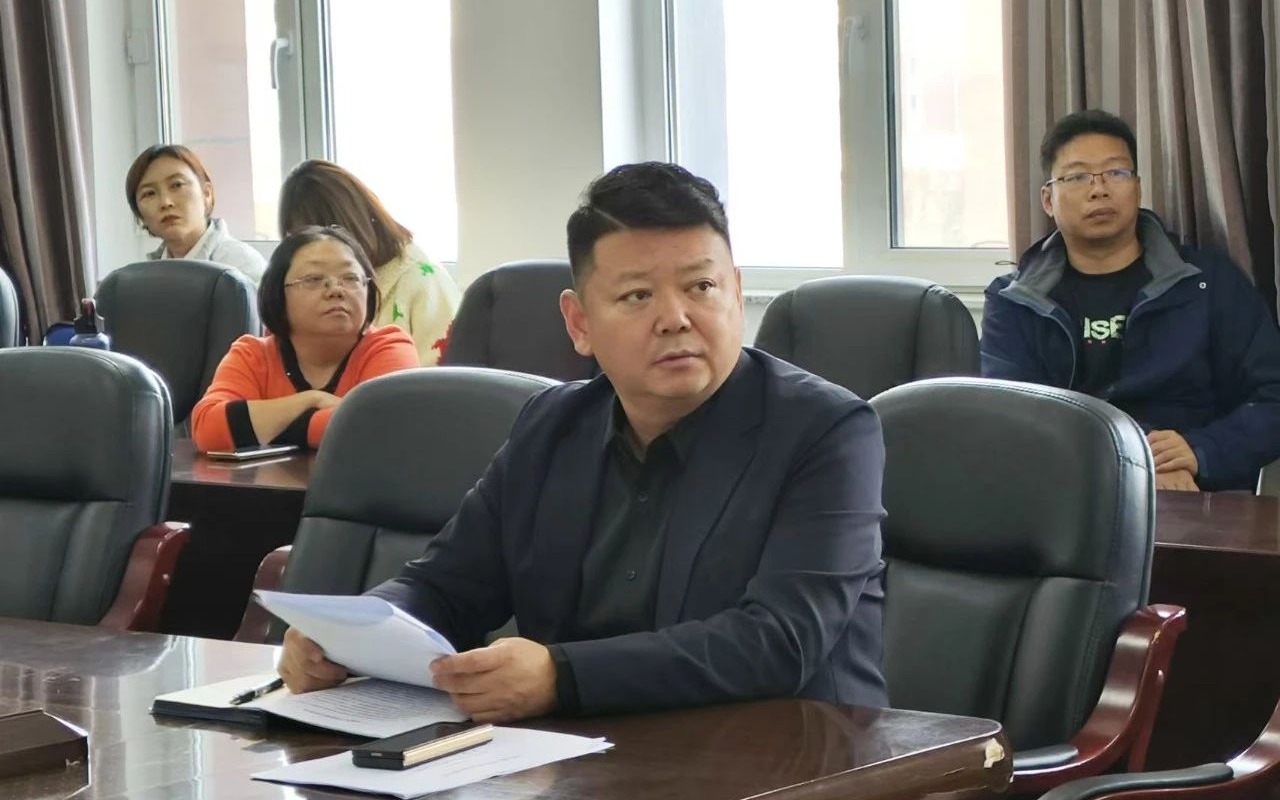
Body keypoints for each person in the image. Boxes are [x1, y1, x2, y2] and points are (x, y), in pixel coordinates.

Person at [278, 162, 888, 722]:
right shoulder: (552, 425)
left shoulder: (825, 430)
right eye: (637, 296)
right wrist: (348, 635)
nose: (675, 317)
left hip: (793, 760)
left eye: (701, 287)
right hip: (583, 758)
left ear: (734, 290)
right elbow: (446, 586)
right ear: (579, 323)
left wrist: (562, 676)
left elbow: (780, 642)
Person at [982, 109, 1280, 492]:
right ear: (1048, 200)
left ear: (1138, 188)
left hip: (1191, 487)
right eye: (1077, 177)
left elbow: (1273, 396)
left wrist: (1201, 452)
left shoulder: (1209, 282)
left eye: (1116, 173)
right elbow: (1011, 420)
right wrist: (1136, 467)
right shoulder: (1015, 301)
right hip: (1069, 494)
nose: (1099, 190)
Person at [191, 225, 418, 453]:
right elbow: (208, 428)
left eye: (350, 278)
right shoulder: (252, 354)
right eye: (314, 279)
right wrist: (311, 400)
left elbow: (383, 427)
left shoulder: (389, 346)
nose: (336, 290)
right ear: (278, 295)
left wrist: (266, 428)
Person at [279, 159, 461, 365]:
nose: (306, 254)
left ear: (348, 226)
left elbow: (443, 379)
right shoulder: (297, 288)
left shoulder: (422, 281)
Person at [125, 144, 266, 284]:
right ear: (140, 216)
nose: (166, 202)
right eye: (149, 193)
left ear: (206, 193)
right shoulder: (144, 276)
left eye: (177, 185)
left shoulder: (239, 266)